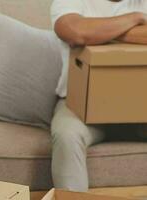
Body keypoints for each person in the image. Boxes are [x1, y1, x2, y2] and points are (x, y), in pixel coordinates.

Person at [51, 0, 147, 192]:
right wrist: (136, 18)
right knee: (67, 136)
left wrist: (98, 32)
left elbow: (85, 33)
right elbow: (75, 31)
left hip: (141, 109)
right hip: (79, 106)